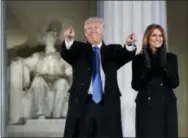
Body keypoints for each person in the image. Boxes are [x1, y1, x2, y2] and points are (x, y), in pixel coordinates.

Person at [59, 17, 137, 137]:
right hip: (84, 104)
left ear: (103, 31)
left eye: (96, 27)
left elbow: (126, 54)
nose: (92, 30)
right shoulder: (78, 49)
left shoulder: (113, 50)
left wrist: (129, 44)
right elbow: (67, 52)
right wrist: (69, 39)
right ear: (85, 33)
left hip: (107, 105)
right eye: (89, 28)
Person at [131, 24, 179, 138]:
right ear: (147, 38)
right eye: (154, 35)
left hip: (167, 106)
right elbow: (136, 85)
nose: (158, 38)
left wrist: (164, 65)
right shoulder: (138, 59)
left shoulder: (171, 58)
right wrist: (149, 70)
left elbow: (175, 83)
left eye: (160, 35)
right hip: (146, 107)